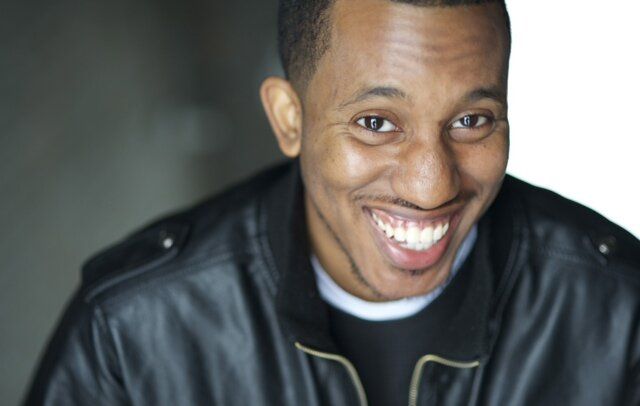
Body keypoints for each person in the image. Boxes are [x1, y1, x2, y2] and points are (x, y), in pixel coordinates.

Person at [24, 0, 640, 405]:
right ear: (289, 119)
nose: (432, 187)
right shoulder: (130, 329)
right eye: (376, 123)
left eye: (472, 120)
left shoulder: (620, 308)